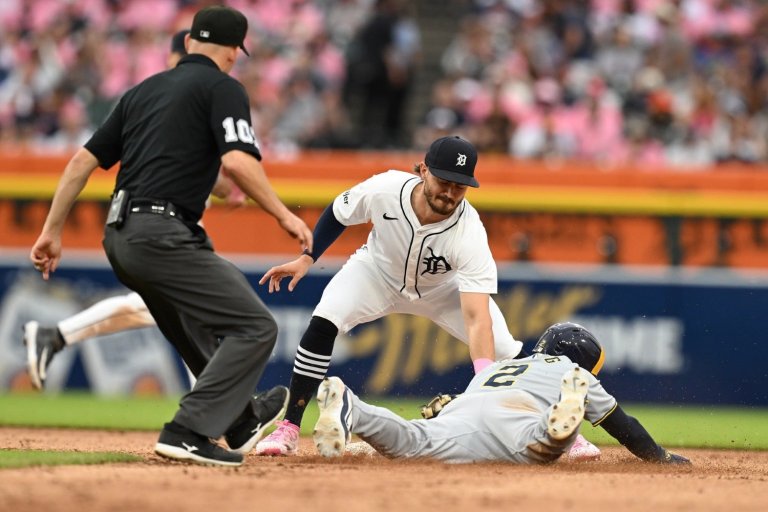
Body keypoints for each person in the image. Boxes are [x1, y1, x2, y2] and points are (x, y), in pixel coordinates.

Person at [29, 6, 313, 467]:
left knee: (192, 329)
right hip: (163, 233)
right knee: (256, 327)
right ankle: (186, 431)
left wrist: (51, 231)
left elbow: (81, 162)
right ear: (233, 55)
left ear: (187, 45)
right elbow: (239, 161)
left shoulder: (142, 91)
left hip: (121, 236)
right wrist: (283, 215)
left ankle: (240, 420)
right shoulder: (223, 87)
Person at [254, 135, 599, 461]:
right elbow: (338, 213)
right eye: (443, 181)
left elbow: (477, 318)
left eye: (459, 186)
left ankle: (565, 433)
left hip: (441, 289)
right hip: (377, 273)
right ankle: (288, 428)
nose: (449, 193)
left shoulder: (469, 232)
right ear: (422, 169)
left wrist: (484, 384)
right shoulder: (385, 188)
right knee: (324, 319)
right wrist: (307, 258)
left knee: (508, 350)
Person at [22, 29, 244, 392]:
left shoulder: (149, 97)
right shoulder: (194, 98)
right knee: (193, 313)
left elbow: (84, 161)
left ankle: (221, 412)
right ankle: (220, 412)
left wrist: (225, 188)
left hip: (139, 225)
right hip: (165, 229)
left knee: (171, 313)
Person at [312, 322, 692, 465]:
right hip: (521, 419)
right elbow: (624, 427)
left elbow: (459, 406)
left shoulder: (498, 367)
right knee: (540, 447)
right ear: (582, 361)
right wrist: (659, 456)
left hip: (467, 411)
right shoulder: (571, 371)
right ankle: (557, 427)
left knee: (412, 441)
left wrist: (447, 408)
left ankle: (354, 409)